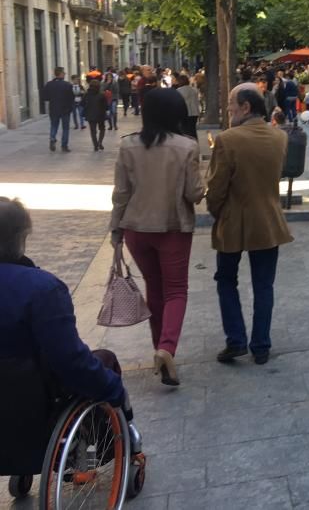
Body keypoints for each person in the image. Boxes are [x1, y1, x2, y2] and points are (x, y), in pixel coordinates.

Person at [0, 197, 139, 440]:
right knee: (104, 363)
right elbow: (70, 361)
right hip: (30, 407)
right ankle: (111, 443)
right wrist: (114, 389)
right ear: (21, 237)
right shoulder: (41, 289)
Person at [110, 89, 205, 386]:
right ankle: (166, 349)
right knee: (176, 290)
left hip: (136, 229)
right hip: (173, 227)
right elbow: (194, 193)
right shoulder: (187, 147)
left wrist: (115, 229)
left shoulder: (128, 146)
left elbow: (121, 193)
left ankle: (160, 353)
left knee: (155, 289)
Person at [207, 83, 293, 365]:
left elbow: (217, 187)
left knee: (226, 280)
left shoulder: (227, 139)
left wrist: (215, 212)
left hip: (233, 220)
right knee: (264, 285)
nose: (228, 110)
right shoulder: (279, 137)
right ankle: (261, 345)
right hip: (268, 220)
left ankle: (236, 340)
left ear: (246, 107)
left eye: (231, 104)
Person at [42, 67, 74, 153]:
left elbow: (45, 97)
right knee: (65, 128)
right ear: (60, 74)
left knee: (54, 126)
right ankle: (64, 146)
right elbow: (71, 98)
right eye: (64, 72)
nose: (65, 74)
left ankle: (52, 138)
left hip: (54, 109)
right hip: (65, 110)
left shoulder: (49, 84)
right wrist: (70, 108)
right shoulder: (67, 85)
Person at [84, 78, 108, 151]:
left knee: (93, 131)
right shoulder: (102, 95)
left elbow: (82, 103)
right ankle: (100, 142)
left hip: (90, 115)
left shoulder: (87, 94)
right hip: (100, 115)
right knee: (102, 129)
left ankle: (95, 145)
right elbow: (106, 106)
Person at [175, 74, 201, 140]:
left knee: (185, 131)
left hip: (185, 113)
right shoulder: (194, 90)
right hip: (194, 112)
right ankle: (195, 143)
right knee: (193, 130)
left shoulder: (178, 91)